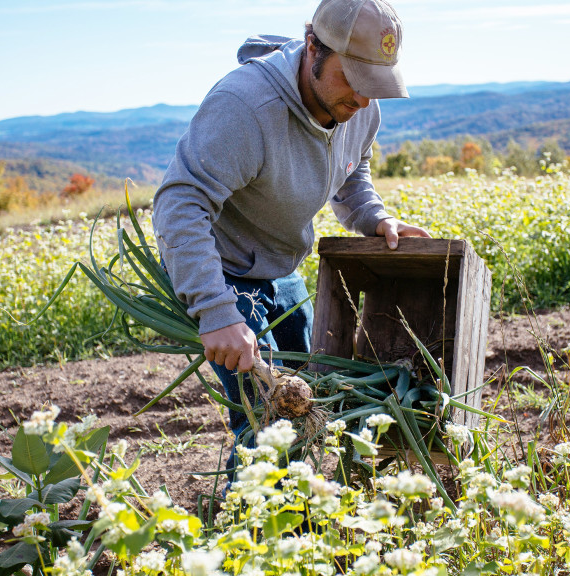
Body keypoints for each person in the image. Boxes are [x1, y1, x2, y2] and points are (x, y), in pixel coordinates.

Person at [152, 0, 429, 468]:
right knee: (268, 422)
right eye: (355, 79)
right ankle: (252, 533)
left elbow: (351, 168)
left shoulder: (360, 108)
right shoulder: (245, 108)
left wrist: (375, 218)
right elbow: (180, 204)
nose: (363, 100)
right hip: (224, 270)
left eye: (374, 84)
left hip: (281, 268)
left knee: (308, 395)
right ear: (313, 48)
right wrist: (216, 311)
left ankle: (302, 520)